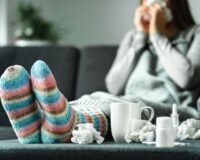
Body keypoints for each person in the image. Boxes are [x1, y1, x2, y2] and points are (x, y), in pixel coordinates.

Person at [0, 0, 200, 144]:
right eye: (146, 3)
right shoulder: (134, 38)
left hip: (172, 110)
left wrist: (157, 35)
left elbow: (186, 77)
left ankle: (65, 124)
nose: (150, 8)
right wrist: (139, 39)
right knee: (93, 97)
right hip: (126, 103)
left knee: (129, 104)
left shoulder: (195, 33)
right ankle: (39, 130)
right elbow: (113, 85)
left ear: (175, 5)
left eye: (157, 3)